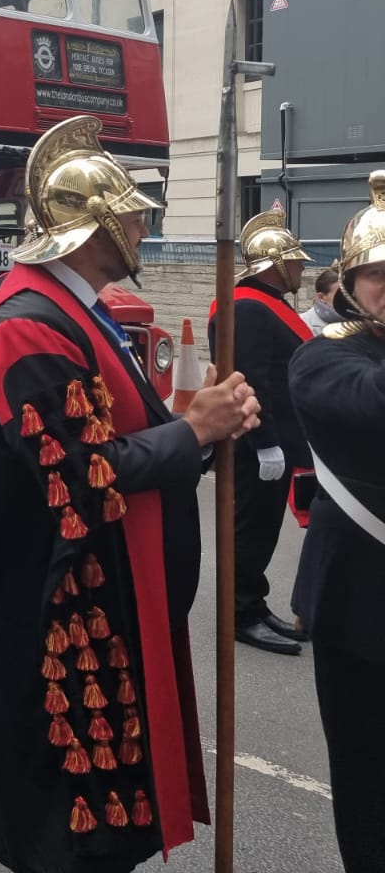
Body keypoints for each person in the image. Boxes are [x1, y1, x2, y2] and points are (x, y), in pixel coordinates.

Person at [0, 116, 259, 873]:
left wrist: (208, 424)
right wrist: (193, 431)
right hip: (60, 614)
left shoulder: (74, 308)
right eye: (128, 211)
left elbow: (132, 428)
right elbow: (84, 476)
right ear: (88, 229)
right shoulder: (27, 326)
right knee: (73, 832)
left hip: (110, 601)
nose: (141, 221)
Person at [289, 169, 385, 873]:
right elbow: (371, 409)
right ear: (351, 280)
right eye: (379, 272)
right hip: (362, 607)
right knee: (369, 784)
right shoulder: (322, 355)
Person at [207, 205, 313, 655]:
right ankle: (240, 613)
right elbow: (250, 378)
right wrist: (266, 442)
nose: (301, 268)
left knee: (261, 529)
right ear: (273, 264)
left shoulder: (263, 304)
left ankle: (252, 602)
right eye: (294, 261)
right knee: (249, 528)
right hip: (256, 444)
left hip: (275, 442)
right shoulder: (249, 307)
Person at [300, 266, 342, 332]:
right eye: (340, 295)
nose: (347, 299)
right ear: (321, 297)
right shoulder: (302, 323)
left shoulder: (359, 323)